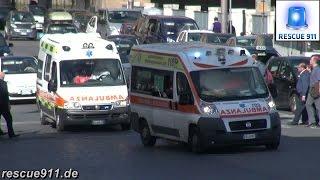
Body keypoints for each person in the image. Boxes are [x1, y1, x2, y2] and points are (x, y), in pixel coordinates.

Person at [0, 72, 19, 138]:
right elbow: (5, 95)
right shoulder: (4, 83)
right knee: (9, 119)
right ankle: (11, 134)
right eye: (3, 76)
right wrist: (8, 104)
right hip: (3, 105)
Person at [305, 55, 320, 128]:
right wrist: (310, 72)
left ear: (314, 61)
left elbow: (319, 80)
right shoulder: (314, 69)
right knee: (308, 104)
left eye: (311, 60)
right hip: (312, 89)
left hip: (316, 89)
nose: (309, 61)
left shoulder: (318, 69)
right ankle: (312, 121)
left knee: (318, 107)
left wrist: (319, 90)